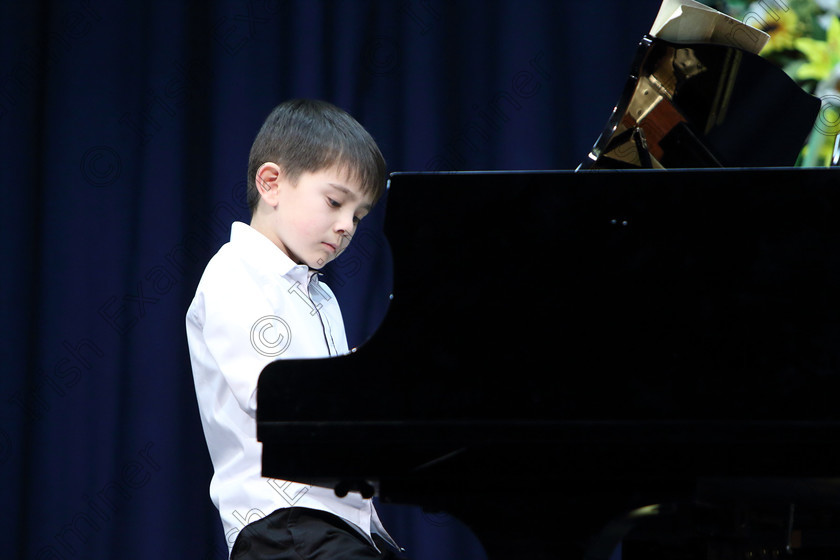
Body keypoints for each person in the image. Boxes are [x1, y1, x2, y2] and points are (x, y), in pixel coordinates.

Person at [186, 99, 402, 559]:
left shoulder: (321, 296)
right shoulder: (233, 273)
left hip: (338, 528)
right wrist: (367, 384)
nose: (346, 227)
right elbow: (281, 399)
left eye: (359, 217)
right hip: (285, 528)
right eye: (334, 202)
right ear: (272, 183)